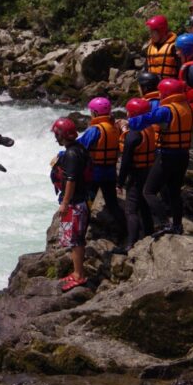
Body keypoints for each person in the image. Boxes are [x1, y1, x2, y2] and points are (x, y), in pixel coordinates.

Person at [128, 79, 193, 237]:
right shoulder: (188, 107)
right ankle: (177, 226)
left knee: (148, 192)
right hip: (183, 155)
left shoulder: (166, 110)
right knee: (174, 192)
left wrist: (129, 120)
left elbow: (140, 123)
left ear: (165, 93)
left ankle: (166, 223)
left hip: (167, 156)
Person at [50, 118, 90, 292]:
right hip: (77, 200)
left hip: (75, 203)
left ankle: (79, 275)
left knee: (75, 240)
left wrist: (65, 203)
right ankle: (76, 272)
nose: (55, 138)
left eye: (57, 135)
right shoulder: (76, 148)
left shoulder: (72, 154)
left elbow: (71, 180)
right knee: (73, 240)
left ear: (62, 136)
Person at [77, 97, 126, 233]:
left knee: (87, 202)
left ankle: (82, 231)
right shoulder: (114, 127)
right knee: (112, 203)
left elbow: (80, 146)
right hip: (110, 171)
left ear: (96, 114)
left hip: (95, 173)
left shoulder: (95, 130)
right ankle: (124, 231)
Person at [114, 98, 156, 254]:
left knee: (131, 209)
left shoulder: (133, 135)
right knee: (144, 205)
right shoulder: (150, 127)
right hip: (149, 171)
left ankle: (130, 243)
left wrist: (120, 182)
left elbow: (125, 162)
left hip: (137, 173)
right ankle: (149, 233)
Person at [145, 15, 179, 79]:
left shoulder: (174, 47)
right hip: (153, 86)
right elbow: (146, 69)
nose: (150, 35)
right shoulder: (149, 48)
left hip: (170, 86)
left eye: (153, 32)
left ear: (161, 31)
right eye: (150, 32)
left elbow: (180, 70)